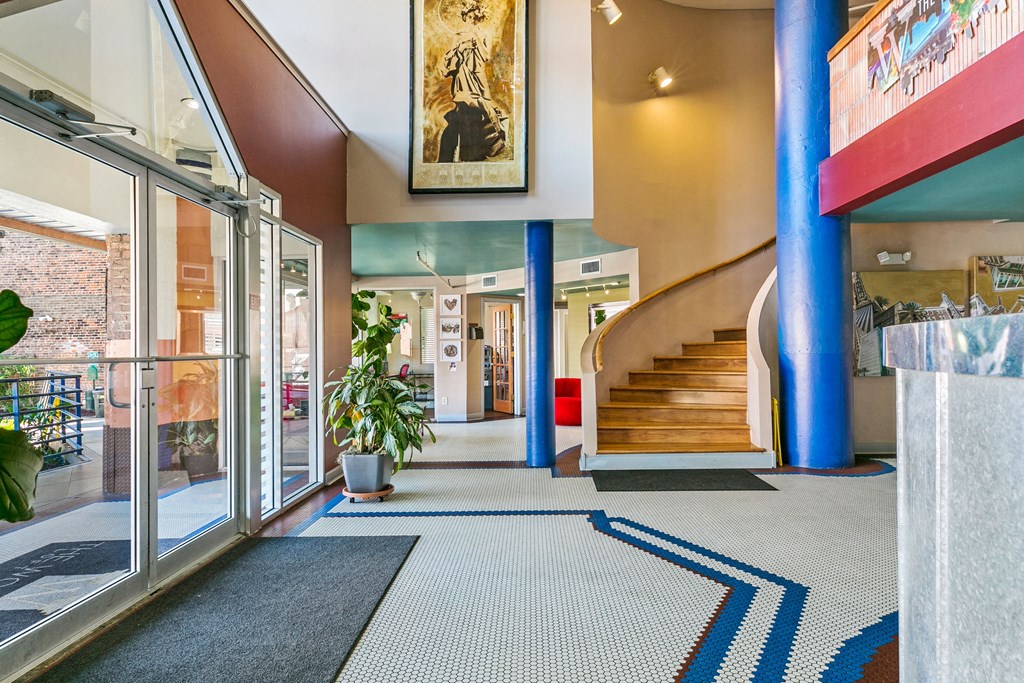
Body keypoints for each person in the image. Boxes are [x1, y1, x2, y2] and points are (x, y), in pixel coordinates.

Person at [436, 0, 507, 162]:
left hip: (477, 78)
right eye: (468, 17)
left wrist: (475, 38)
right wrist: (459, 49)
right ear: (465, 17)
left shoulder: (483, 34)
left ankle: (474, 154)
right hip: (461, 78)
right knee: (464, 111)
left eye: (474, 17)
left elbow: (485, 56)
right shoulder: (458, 36)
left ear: (478, 18)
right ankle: (463, 156)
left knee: (477, 113)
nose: (471, 20)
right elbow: (449, 62)